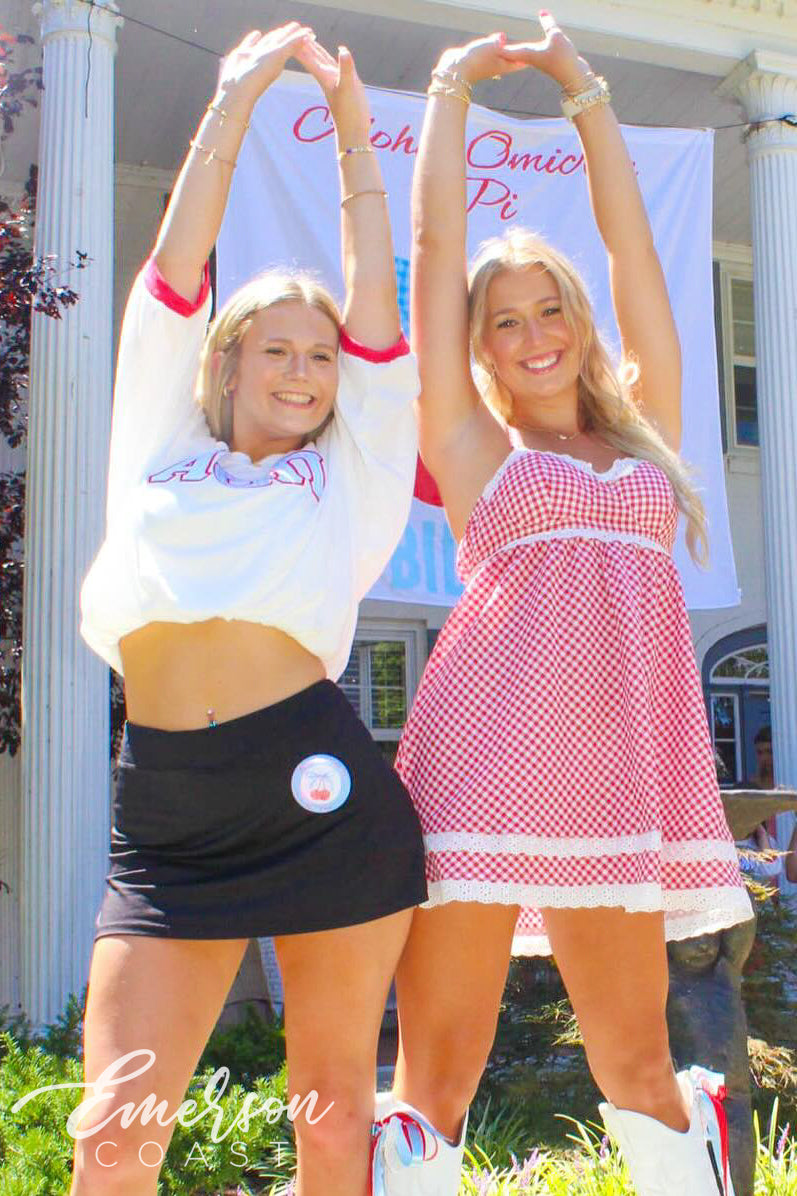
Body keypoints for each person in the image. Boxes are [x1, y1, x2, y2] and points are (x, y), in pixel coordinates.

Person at [373, 11, 753, 1196]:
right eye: (505, 320)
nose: (532, 335)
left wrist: (583, 89)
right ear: (478, 348)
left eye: (550, 310)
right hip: (482, 762)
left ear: (578, 321)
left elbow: (637, 253)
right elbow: (436, 253)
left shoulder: (648, 436)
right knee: (436, 1070)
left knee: (639, 1058)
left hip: (617, 774)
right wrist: (445, 93)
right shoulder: (472, 445)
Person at [75, 26, 426, 1196]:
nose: (299, 370)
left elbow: (379, 307)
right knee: (115, 1130)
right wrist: (232, 98)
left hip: (316, 800)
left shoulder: (349, 472)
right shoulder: (159, 443)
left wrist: (347, 129)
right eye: (272, 347)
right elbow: (170, 269)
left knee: (330, 1119)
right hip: (167, 814)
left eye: (319, 357)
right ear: (223, 362)